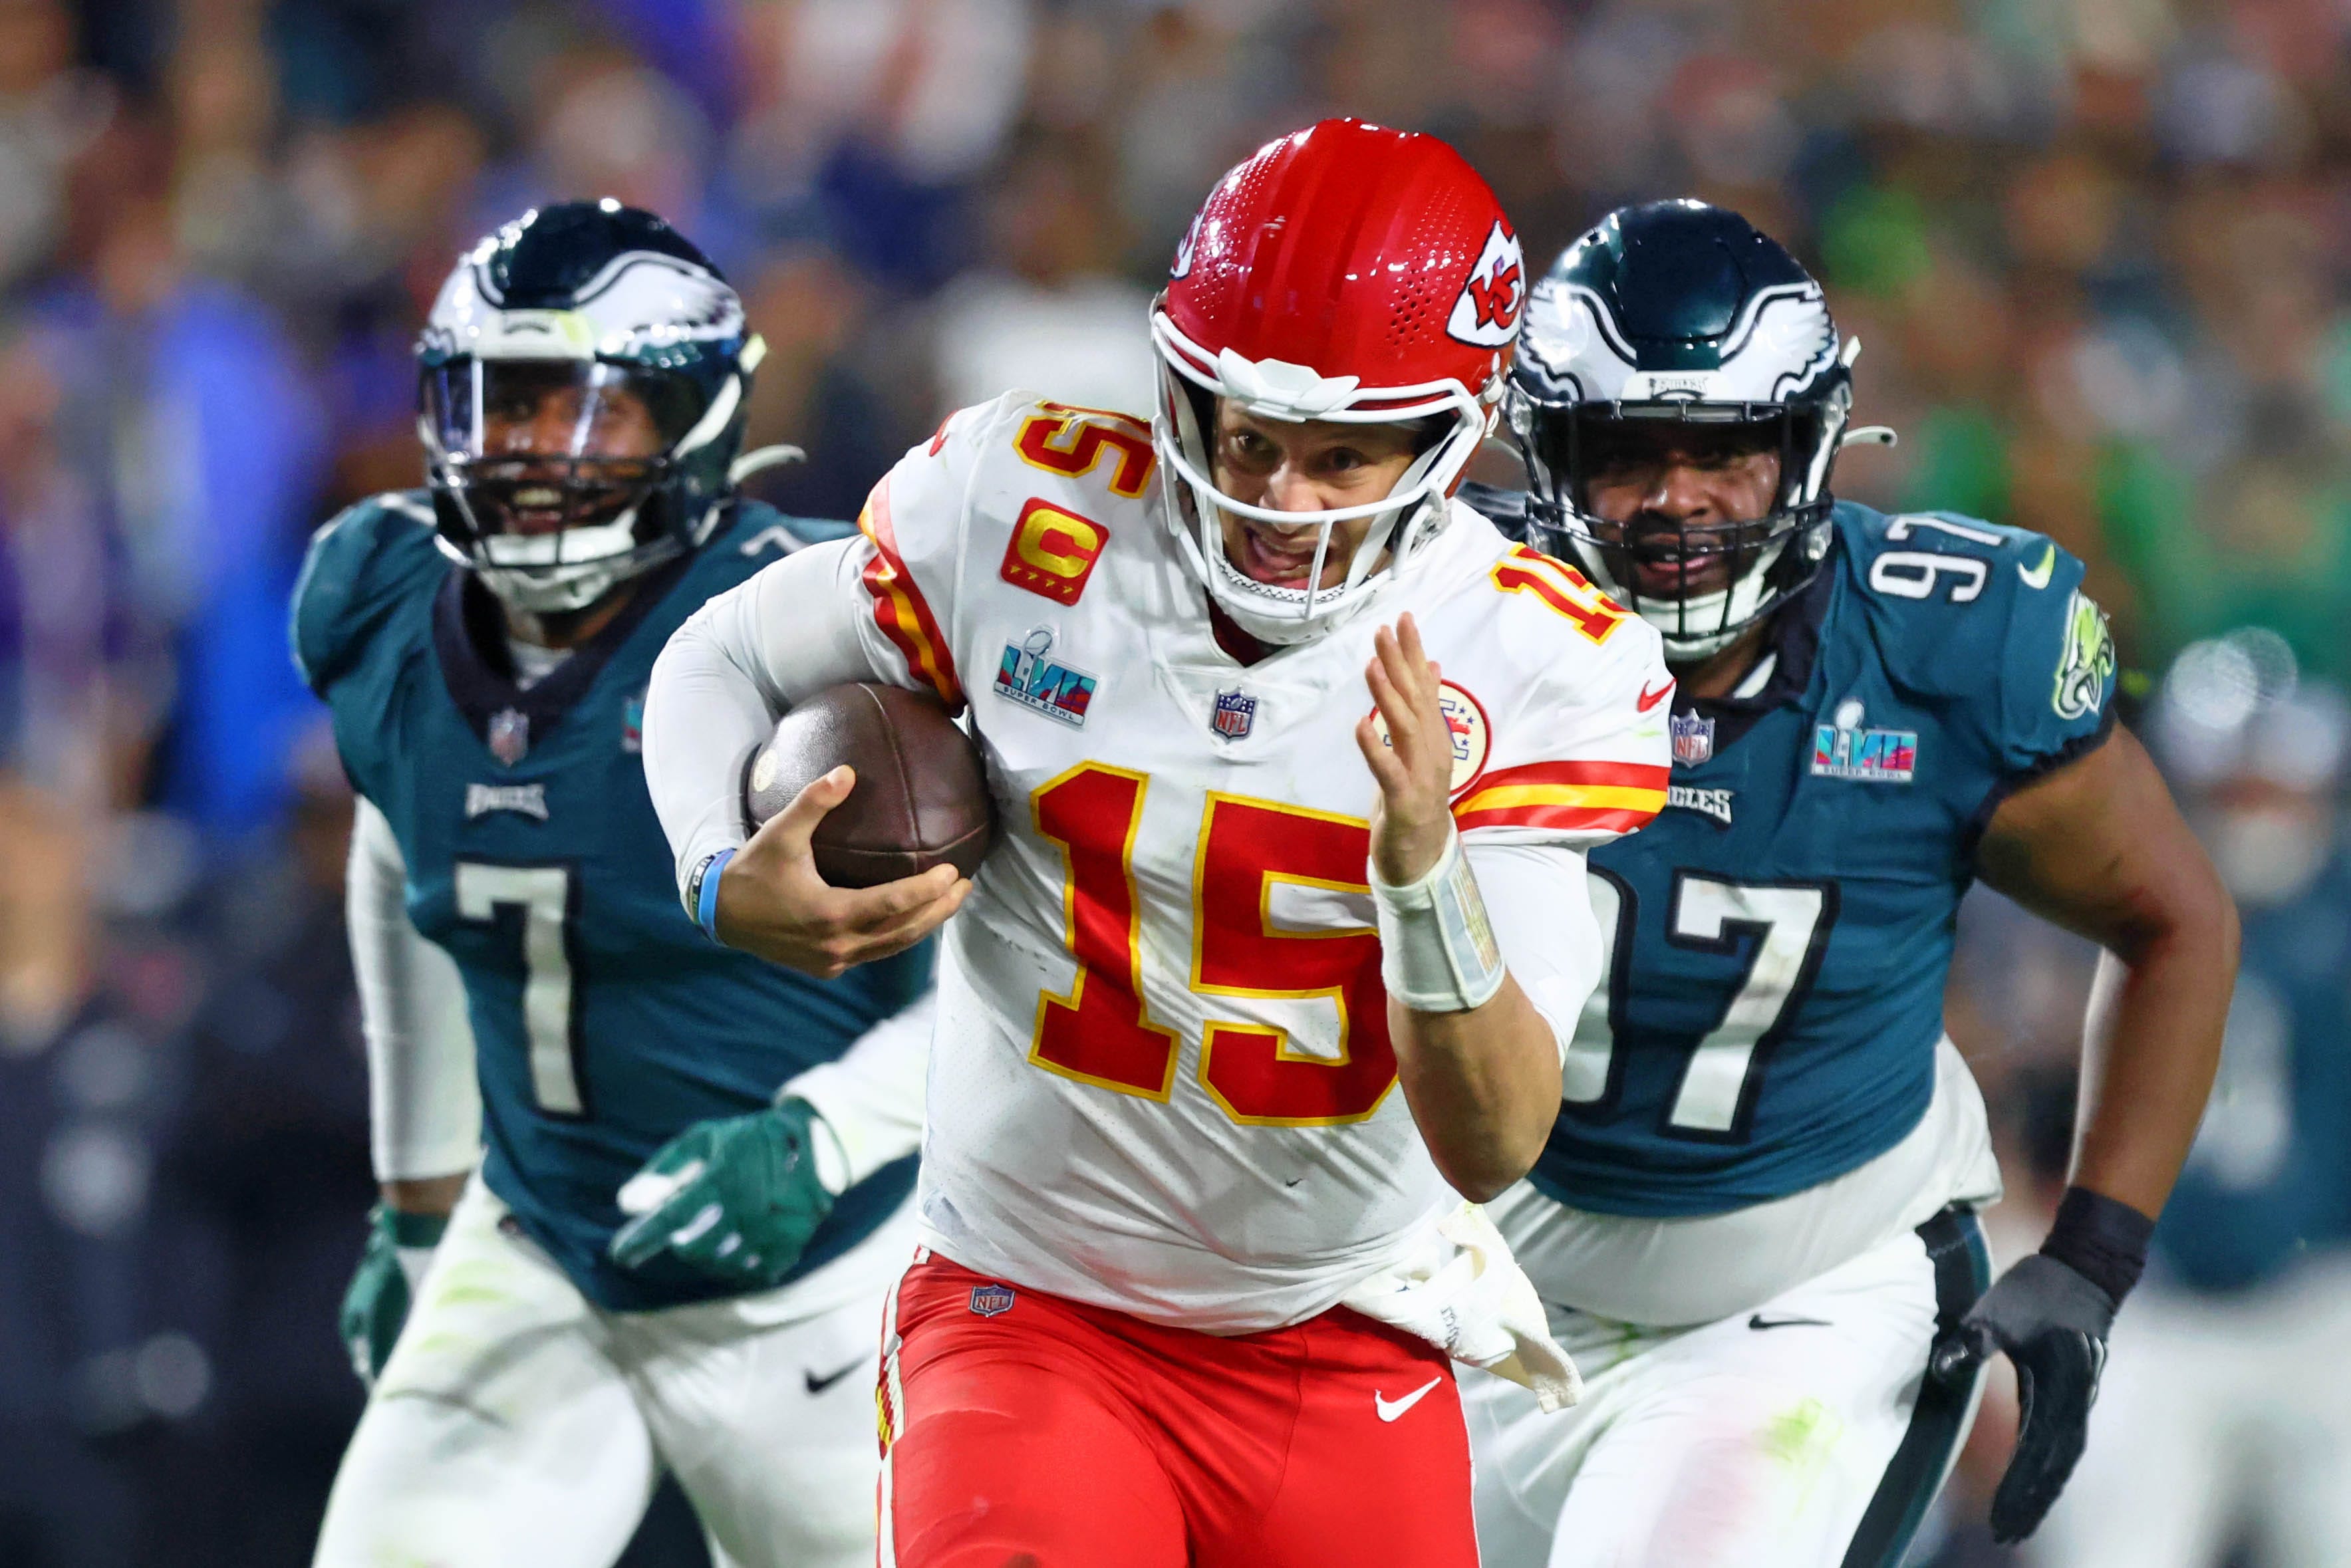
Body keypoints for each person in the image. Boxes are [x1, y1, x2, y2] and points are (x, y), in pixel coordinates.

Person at [640, 120, 1673, 1568]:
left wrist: (1423, 867)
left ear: (1453, 435)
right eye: (1247, 436)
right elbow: (718, 654)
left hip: (1337, 1325)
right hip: (1029, 1306)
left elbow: (1492, 1139)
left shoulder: (1523, 659)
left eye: (1339, 458)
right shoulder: (1023, 510)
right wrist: (710, 866)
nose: (1274, 504)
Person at [1454, 199, 2237, 1568]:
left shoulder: (1949, 646)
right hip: (1473, 1284)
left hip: (1802, 1294)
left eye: (1724, 453)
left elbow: (2172, 920)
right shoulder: (1442, 612)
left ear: (1808, 449)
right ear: (1547, 454)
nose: (1675, 502)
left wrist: (2094, 1257)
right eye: (1627, 453)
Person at [294, 200, 935, 1568]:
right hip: (544, 1246)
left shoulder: (821, 634)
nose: (534, 455)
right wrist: (416, 1208)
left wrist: (826, 1133)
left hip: (823, 1282)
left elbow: (1032, 975)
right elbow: (411, 861)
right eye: (504, 407)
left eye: (592, 413)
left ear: (697, 418)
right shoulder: (379, 603)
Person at [2033, 657, 2351, 1568]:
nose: (2253, 808)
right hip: (2153, 1302)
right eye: (2234, 785)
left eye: (2272, 786)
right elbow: (2033, 1119)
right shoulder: (2116, 902)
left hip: (2329, 1302)